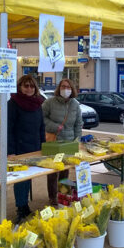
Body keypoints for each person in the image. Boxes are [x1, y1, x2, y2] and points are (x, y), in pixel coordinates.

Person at [7, 75, 45, 223]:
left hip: (34, 148)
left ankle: (25, 206)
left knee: (28, 178)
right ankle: (21, 208)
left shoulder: (38, 104)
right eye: (26, 86)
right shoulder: (13, 104)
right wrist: (10, 151)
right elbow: (8, 129)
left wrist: (43, 147)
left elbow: (41, 127)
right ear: (20, 87)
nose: (29, 88)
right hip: (19, 148)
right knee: (21, 179)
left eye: (31, 86)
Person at [42, 78, 84, 206]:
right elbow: (41, 118)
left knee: (65, 170)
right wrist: (54, 126)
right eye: (63, 86)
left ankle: (62, 195)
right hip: (54, 142)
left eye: (68, 87)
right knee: (53, 171)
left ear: (72, 89)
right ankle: (52, 197)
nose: (65, 89)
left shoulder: (75, 104)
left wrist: (77, 141)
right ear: (59, 88)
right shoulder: (49, 102)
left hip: (69, 143)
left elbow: (78, 124)